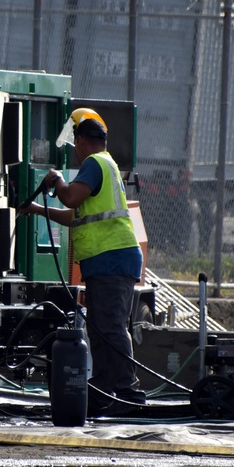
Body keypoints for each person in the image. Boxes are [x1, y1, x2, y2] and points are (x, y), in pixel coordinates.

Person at [17, 108, 145, 414]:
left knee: (110, 327)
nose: (75, 151)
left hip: (112, 258)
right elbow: (75, 216)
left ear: (82, 141)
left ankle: (128, 393)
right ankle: (104, 391)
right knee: (100, 328)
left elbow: (70, 198)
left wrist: (58, 180)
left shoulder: (94, 163)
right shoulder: (106, 165)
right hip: (107, 261)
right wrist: (36, 209)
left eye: (75, 144)